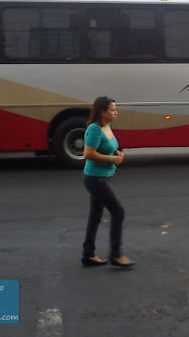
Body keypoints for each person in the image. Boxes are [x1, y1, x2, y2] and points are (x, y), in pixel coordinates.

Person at [81, 96, 135, 268]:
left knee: (95, 216)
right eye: (112, 110)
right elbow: (88, 153)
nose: (116, 112)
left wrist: (117, 152)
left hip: (103, 176)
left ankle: (88, 255)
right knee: (118, 211)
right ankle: (116, 254)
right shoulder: (94, 129)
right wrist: (112, 159)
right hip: (95, 178)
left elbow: (109, 146)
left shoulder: (107, 126)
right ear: (102, 112)